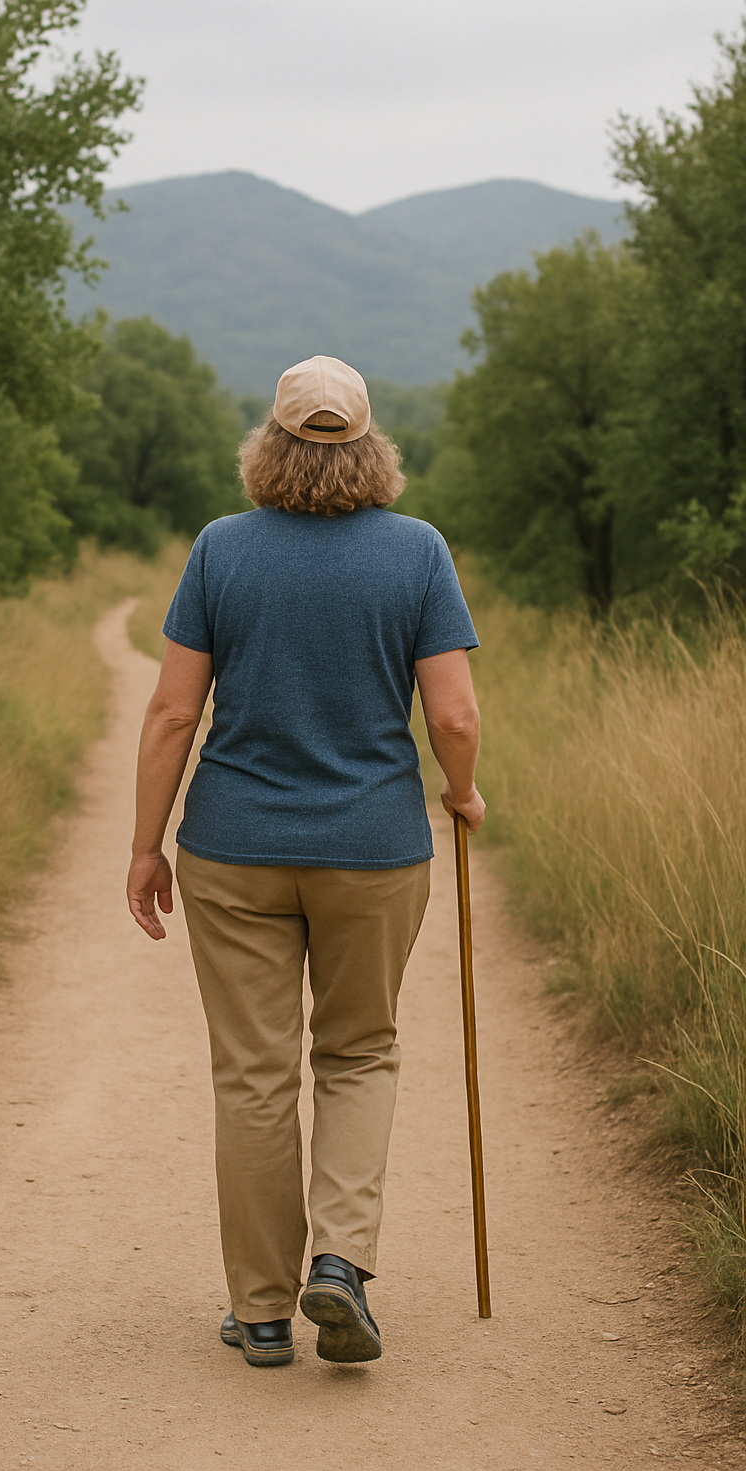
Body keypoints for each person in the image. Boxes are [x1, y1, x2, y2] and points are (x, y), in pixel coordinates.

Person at [126, 355, 484, 1368]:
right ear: (371, 450)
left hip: (231, 849)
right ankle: (341, 1263)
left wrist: (146, 844)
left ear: (269, 448)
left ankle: (262, 1312)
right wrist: (459, 793)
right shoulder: (416, 553)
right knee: (359, 1051)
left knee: (252, 1076)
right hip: (373, 848)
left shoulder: (219, 550)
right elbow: (452, 713)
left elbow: (169, 712)